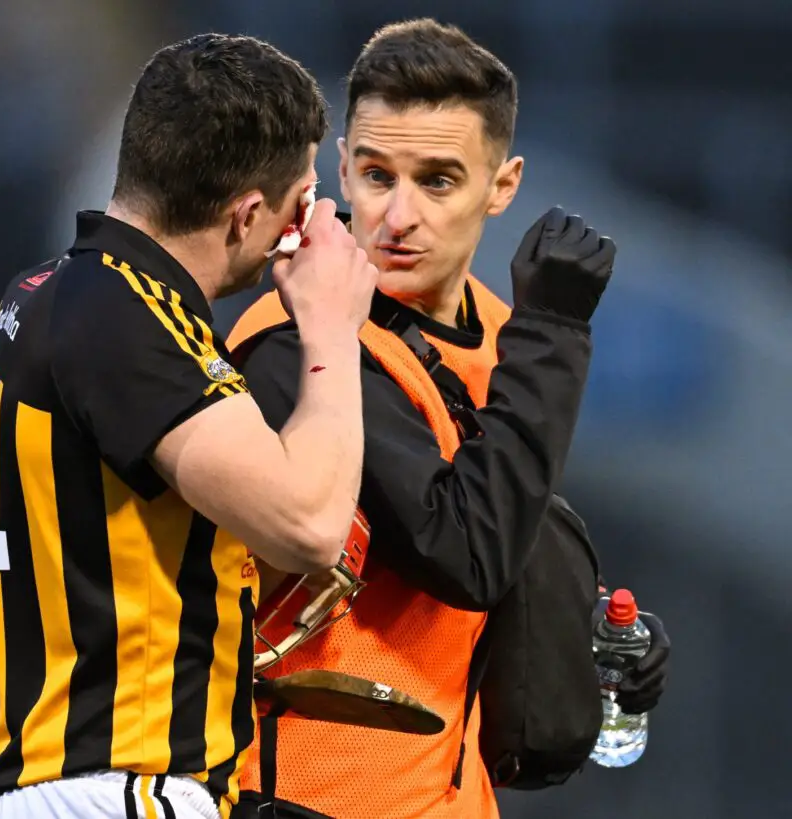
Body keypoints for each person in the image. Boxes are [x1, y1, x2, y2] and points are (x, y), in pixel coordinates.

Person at [226, 19, 669, 819]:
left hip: (452, 798)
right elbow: (463, 551)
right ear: (340, 170)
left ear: (502, 186)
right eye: (376, 175)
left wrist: (584, 630)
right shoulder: (295, 343)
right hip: (308, 797)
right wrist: (554, 333)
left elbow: (499, 529)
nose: (398, 215)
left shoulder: (502, 334)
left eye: (437, 181)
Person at [0, 33, 378, 819]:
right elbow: (311, 527)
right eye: (301, 199)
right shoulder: (135, 314)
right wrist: (333, 326)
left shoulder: (32, 295)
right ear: (247, 214)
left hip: (16, 795)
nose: (307, 225)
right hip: (123, 790)